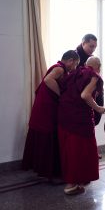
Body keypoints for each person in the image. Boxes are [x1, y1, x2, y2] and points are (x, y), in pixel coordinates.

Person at [22, 50, 80, 179]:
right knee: (47, 131)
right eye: (75, 64)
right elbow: (48, 80)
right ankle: (46, 168)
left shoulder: (59, 68)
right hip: (46, 106)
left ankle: (40, 166)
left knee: (44, 132)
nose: (74, 68)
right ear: (70, 61)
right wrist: (60, 95)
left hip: (44, 104)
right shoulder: (59, 68)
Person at [58, 56, 105, 195]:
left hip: (64, 116)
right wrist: (98, 108)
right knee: (79, 151)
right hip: (79, 119)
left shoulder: (75, 73)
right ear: (98, 67)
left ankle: (78, 179)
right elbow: (85, 95)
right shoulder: (93, 75)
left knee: (69, 150)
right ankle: (71, 184)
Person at [76, 34, 103, 158]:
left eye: (95, 47)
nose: (93, 49)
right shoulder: (75, 57)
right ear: (83, 43)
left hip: (93, 94)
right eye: (91, 46)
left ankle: (91, 150)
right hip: (82, 98)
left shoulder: (91, 58)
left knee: (92, 123)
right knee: (84, 127)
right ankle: (87, 153)